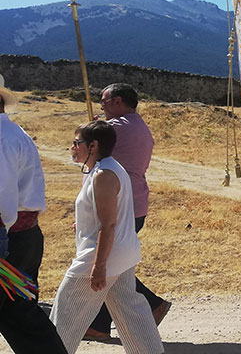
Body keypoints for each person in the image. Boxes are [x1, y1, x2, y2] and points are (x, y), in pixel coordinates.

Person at [49, 121, 164, 354]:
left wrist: (99, 267)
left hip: (102, 255)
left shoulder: (104, 174)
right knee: (129, 309)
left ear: (93, 145)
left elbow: (108, 224)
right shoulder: (107, 168)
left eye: (76, 143)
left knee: (66, 311)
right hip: (121, 253)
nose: (72, 148)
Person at [88, 83, 170, 340]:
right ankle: (101, 324)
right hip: (135, 201)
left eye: (104, 100)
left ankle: (151, 304)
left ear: (118, 101)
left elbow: (86, 152)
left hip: (119, 203)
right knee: (113, 263)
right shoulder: (139, 126)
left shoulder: (114, 128)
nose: (101, 104)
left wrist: (93, 130)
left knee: (106, 263)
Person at [0, 75, 67, 353]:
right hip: (22, 236)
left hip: (8, 238)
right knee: (20, 314)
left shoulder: (3, 138)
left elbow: (2, 202)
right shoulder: (14, 133)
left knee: (21, 315)